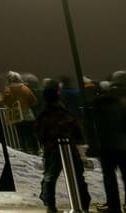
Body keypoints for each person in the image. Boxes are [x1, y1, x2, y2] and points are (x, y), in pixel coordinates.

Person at [88, 79, 126, 213]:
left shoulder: (98, 106)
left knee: (109, 178)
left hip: (106, 146)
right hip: (124, 146)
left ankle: (114, 206)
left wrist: (94, 144)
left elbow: (93, 127)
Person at [36, 85, 87, 213]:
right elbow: (78, 133)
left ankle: (50, 205)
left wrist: (46, 143)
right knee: (78, 178)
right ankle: (83, 204)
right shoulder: (66, 114)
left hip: (51, 150)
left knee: (50, 177)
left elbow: (39, 133)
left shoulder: (43, 116)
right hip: (70, 149)